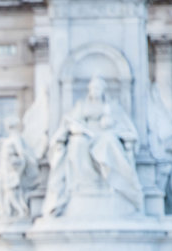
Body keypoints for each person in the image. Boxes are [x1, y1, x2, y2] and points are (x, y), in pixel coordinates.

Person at [44, 75, 143, 216]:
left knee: (108, 141)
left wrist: (111, 125)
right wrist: (75, 129)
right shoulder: (81, 105)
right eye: (92, 88)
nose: (95, 91)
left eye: (98, 88)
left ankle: (114, 180)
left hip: (106, 135)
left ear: (103, 90)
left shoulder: (111, 106)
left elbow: (123, 124)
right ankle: (86, 183)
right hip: (86, 135)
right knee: (77, 143)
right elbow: (71, 122)